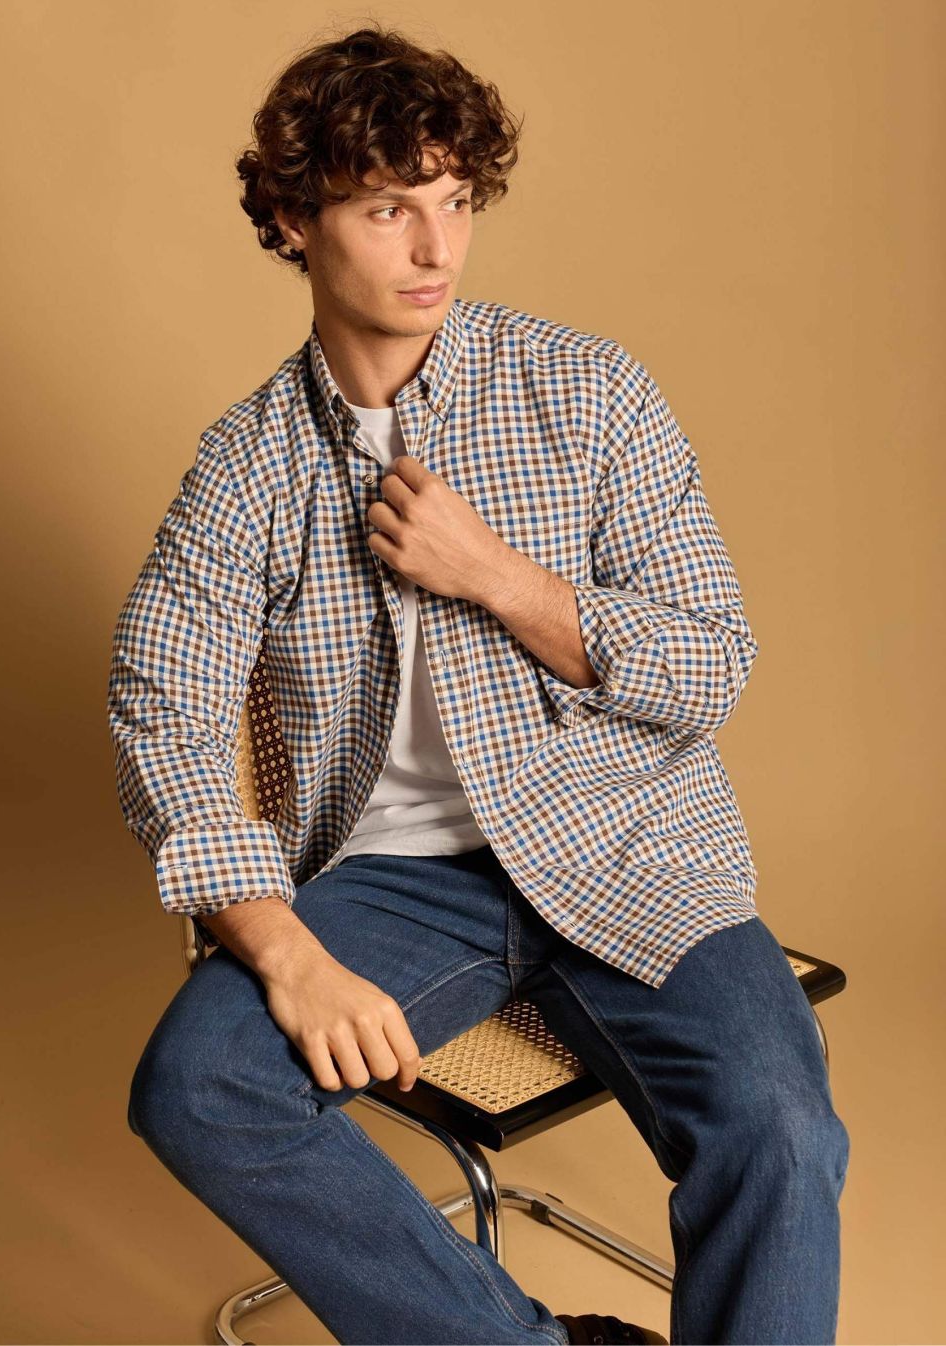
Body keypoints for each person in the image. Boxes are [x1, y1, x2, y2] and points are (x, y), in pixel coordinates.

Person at [107, 24, 849, 1346]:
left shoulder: (589, 392)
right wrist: (289, 956)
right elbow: (163, 716)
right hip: (394, 886)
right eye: (389, 208)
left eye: (453, 202)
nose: (435, 247)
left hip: (629, 844)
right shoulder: (246, 467)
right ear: (293, 220)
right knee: (199, 1087)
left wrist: (500, 578)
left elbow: (711, 660)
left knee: (782, 1131)